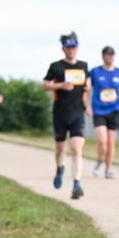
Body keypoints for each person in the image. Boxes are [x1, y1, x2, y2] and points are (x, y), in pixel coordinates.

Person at [43, 32, 91, 200]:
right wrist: (61, 85)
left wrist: (87, 104)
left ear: (77, 48)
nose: (71, 50)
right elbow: (45, 85)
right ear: (63, 48)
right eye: (68, 47)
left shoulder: (84, 66)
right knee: (61, 149)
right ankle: (60, 168)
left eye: (74, 47)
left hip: (77, 113)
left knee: (77, 149)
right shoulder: (56, 66)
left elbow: (86, 88)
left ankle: (77, 184)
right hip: (60, 113)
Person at [90, 46, 119, 179]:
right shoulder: (95, 72)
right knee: (102, 141)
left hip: (114, 111)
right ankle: (99, 162)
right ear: (103, 56)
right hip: (99, 110)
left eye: (112, 55)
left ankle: (108, 170)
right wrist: (86, 105)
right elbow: (87, 87)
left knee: (111, 142)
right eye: (108, 55)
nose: (110, 57)